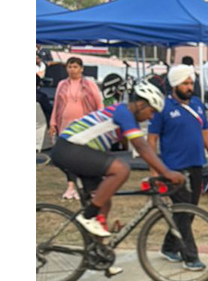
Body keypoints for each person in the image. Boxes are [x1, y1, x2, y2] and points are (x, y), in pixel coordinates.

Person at [48, 80, 185, 239]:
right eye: (152, 111)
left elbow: (142, 147)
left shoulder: (128, 117)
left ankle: (97, 257)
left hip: (77, 150)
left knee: (104, 201)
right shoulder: (123, 112)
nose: (152, 117)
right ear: (141, 104)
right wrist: (167, 172)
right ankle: (87, 216)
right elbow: (142, 147)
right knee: (121, 169)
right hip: (69, 148)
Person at [147, 66, 208, 271]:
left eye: (191, 83)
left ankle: (169, 246)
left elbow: (206, 133)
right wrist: (154, 170)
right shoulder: (162, 108)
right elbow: (151, 139)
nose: (189, 87)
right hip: (173, 169)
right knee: (183, 211)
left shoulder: (197, 104)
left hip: (196, 165)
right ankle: (190, 256)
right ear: (174, 84)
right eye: (185, 83)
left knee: (189, 212)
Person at [48, 56, 104, 201]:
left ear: (81, 69)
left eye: (75, 67)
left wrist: (99, 121)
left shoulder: (89, 84)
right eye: (70, 67)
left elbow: (99, 103)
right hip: (65, 122)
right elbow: (56, 105)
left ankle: (83, 184)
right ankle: (71, 185)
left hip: (84, 124)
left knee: (82, 155)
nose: (72, 70)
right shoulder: (62, 84)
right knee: (66, 156)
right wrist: (53, 122)